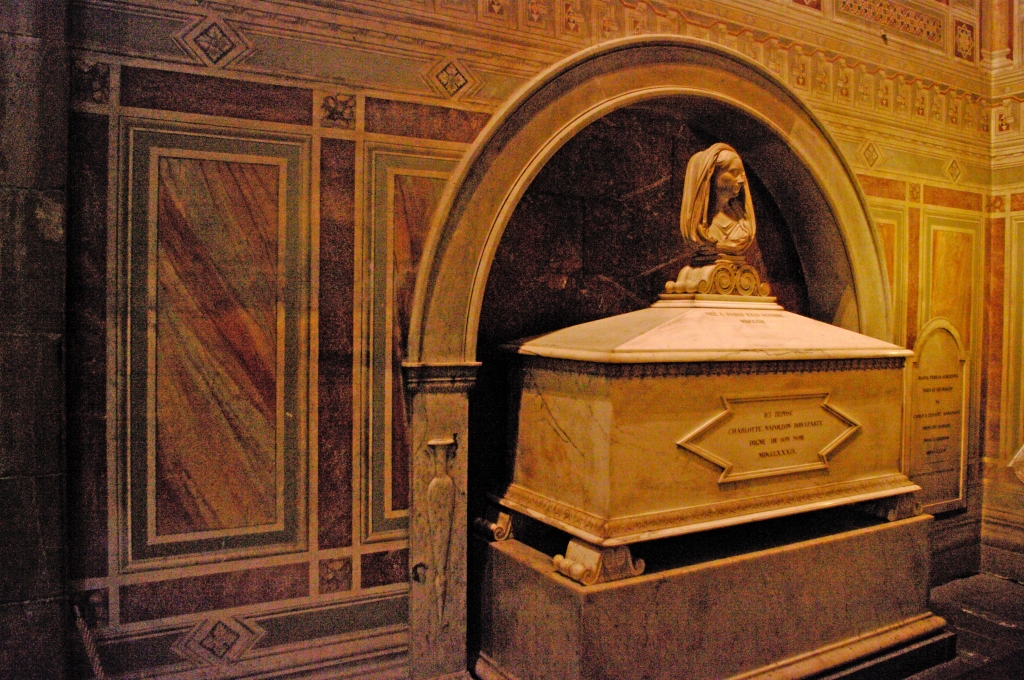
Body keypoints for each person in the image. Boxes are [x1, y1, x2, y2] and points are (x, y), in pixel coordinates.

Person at [679, 143, 756, 257]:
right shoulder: (699, 229)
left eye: (742, 174)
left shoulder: (743, 224)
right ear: (711, 175)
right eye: (734, 172)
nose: (741, 180)